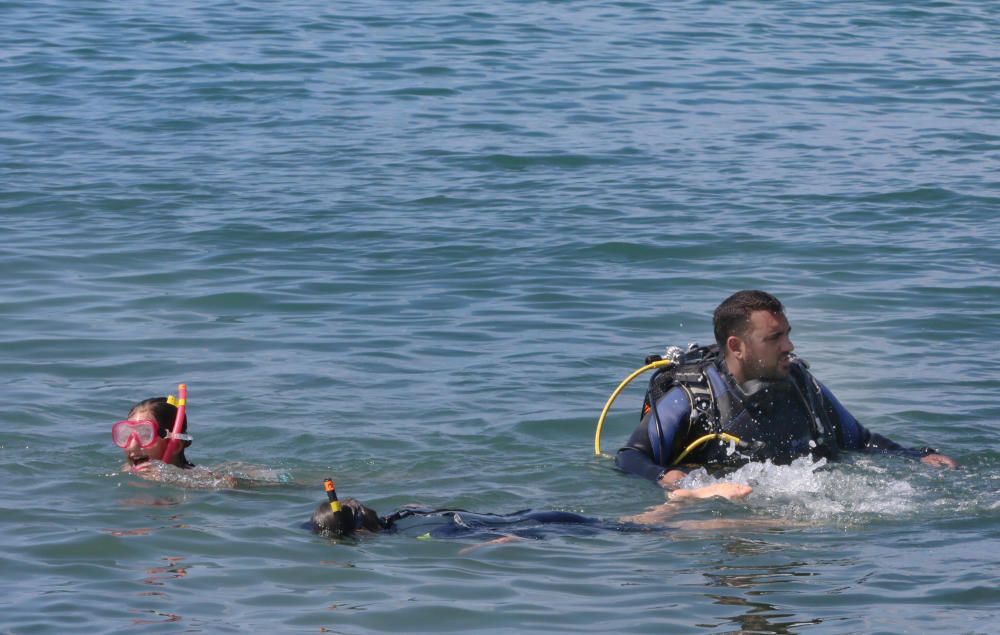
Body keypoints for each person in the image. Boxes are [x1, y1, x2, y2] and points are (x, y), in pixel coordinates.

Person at [616, 290, 957, 488]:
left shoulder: (800, 382)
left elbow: (859, 439)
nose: (789, 346)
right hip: (719, 514)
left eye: (787, 334)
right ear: (736, 346)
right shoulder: (693, 396)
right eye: (774, 338)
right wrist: (668, 477)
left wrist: (915, 456)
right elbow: (630, 457)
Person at [308, 482, 754, 541]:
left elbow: (486, 536)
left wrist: (489, 550)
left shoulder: (414, 536)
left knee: (642, 533)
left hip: (531, 525)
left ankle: (695, 507)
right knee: (631, 525)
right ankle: (679, 501)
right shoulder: (405, 514)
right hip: (531, 512)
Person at [112, 396, 194, 472]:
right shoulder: (127, 470)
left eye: (145, 436)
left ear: (175, 446)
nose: (132, 446)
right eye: (126, 435)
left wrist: (166, 479)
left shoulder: (196, 478)